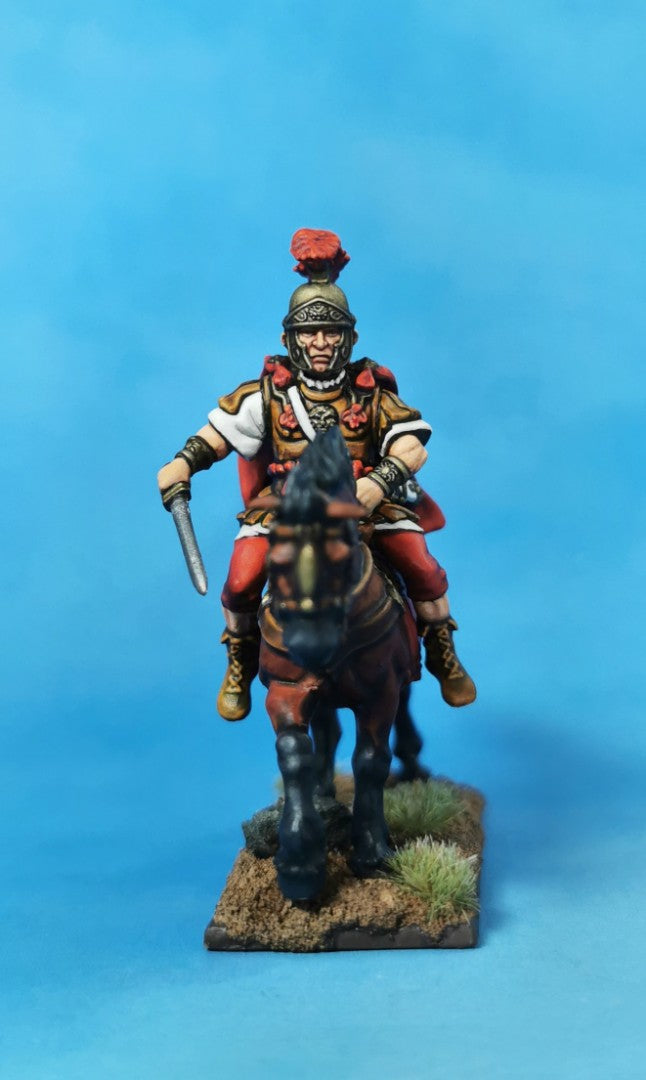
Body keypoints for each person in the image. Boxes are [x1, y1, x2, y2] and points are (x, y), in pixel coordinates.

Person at [158, 229, 476, 720]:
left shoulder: (370, 392)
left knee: (423, 568)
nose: (321, 343)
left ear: (350, 338)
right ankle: (240, 658)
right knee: (240, 583)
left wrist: (378, 483)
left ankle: (441, 651)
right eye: (310, 333)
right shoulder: (267, 394)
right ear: (289, 339)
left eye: (331, 332)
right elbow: (217, 436)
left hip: (366, 505)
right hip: (286, 510)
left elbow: (412, 446)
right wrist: (183, 462)